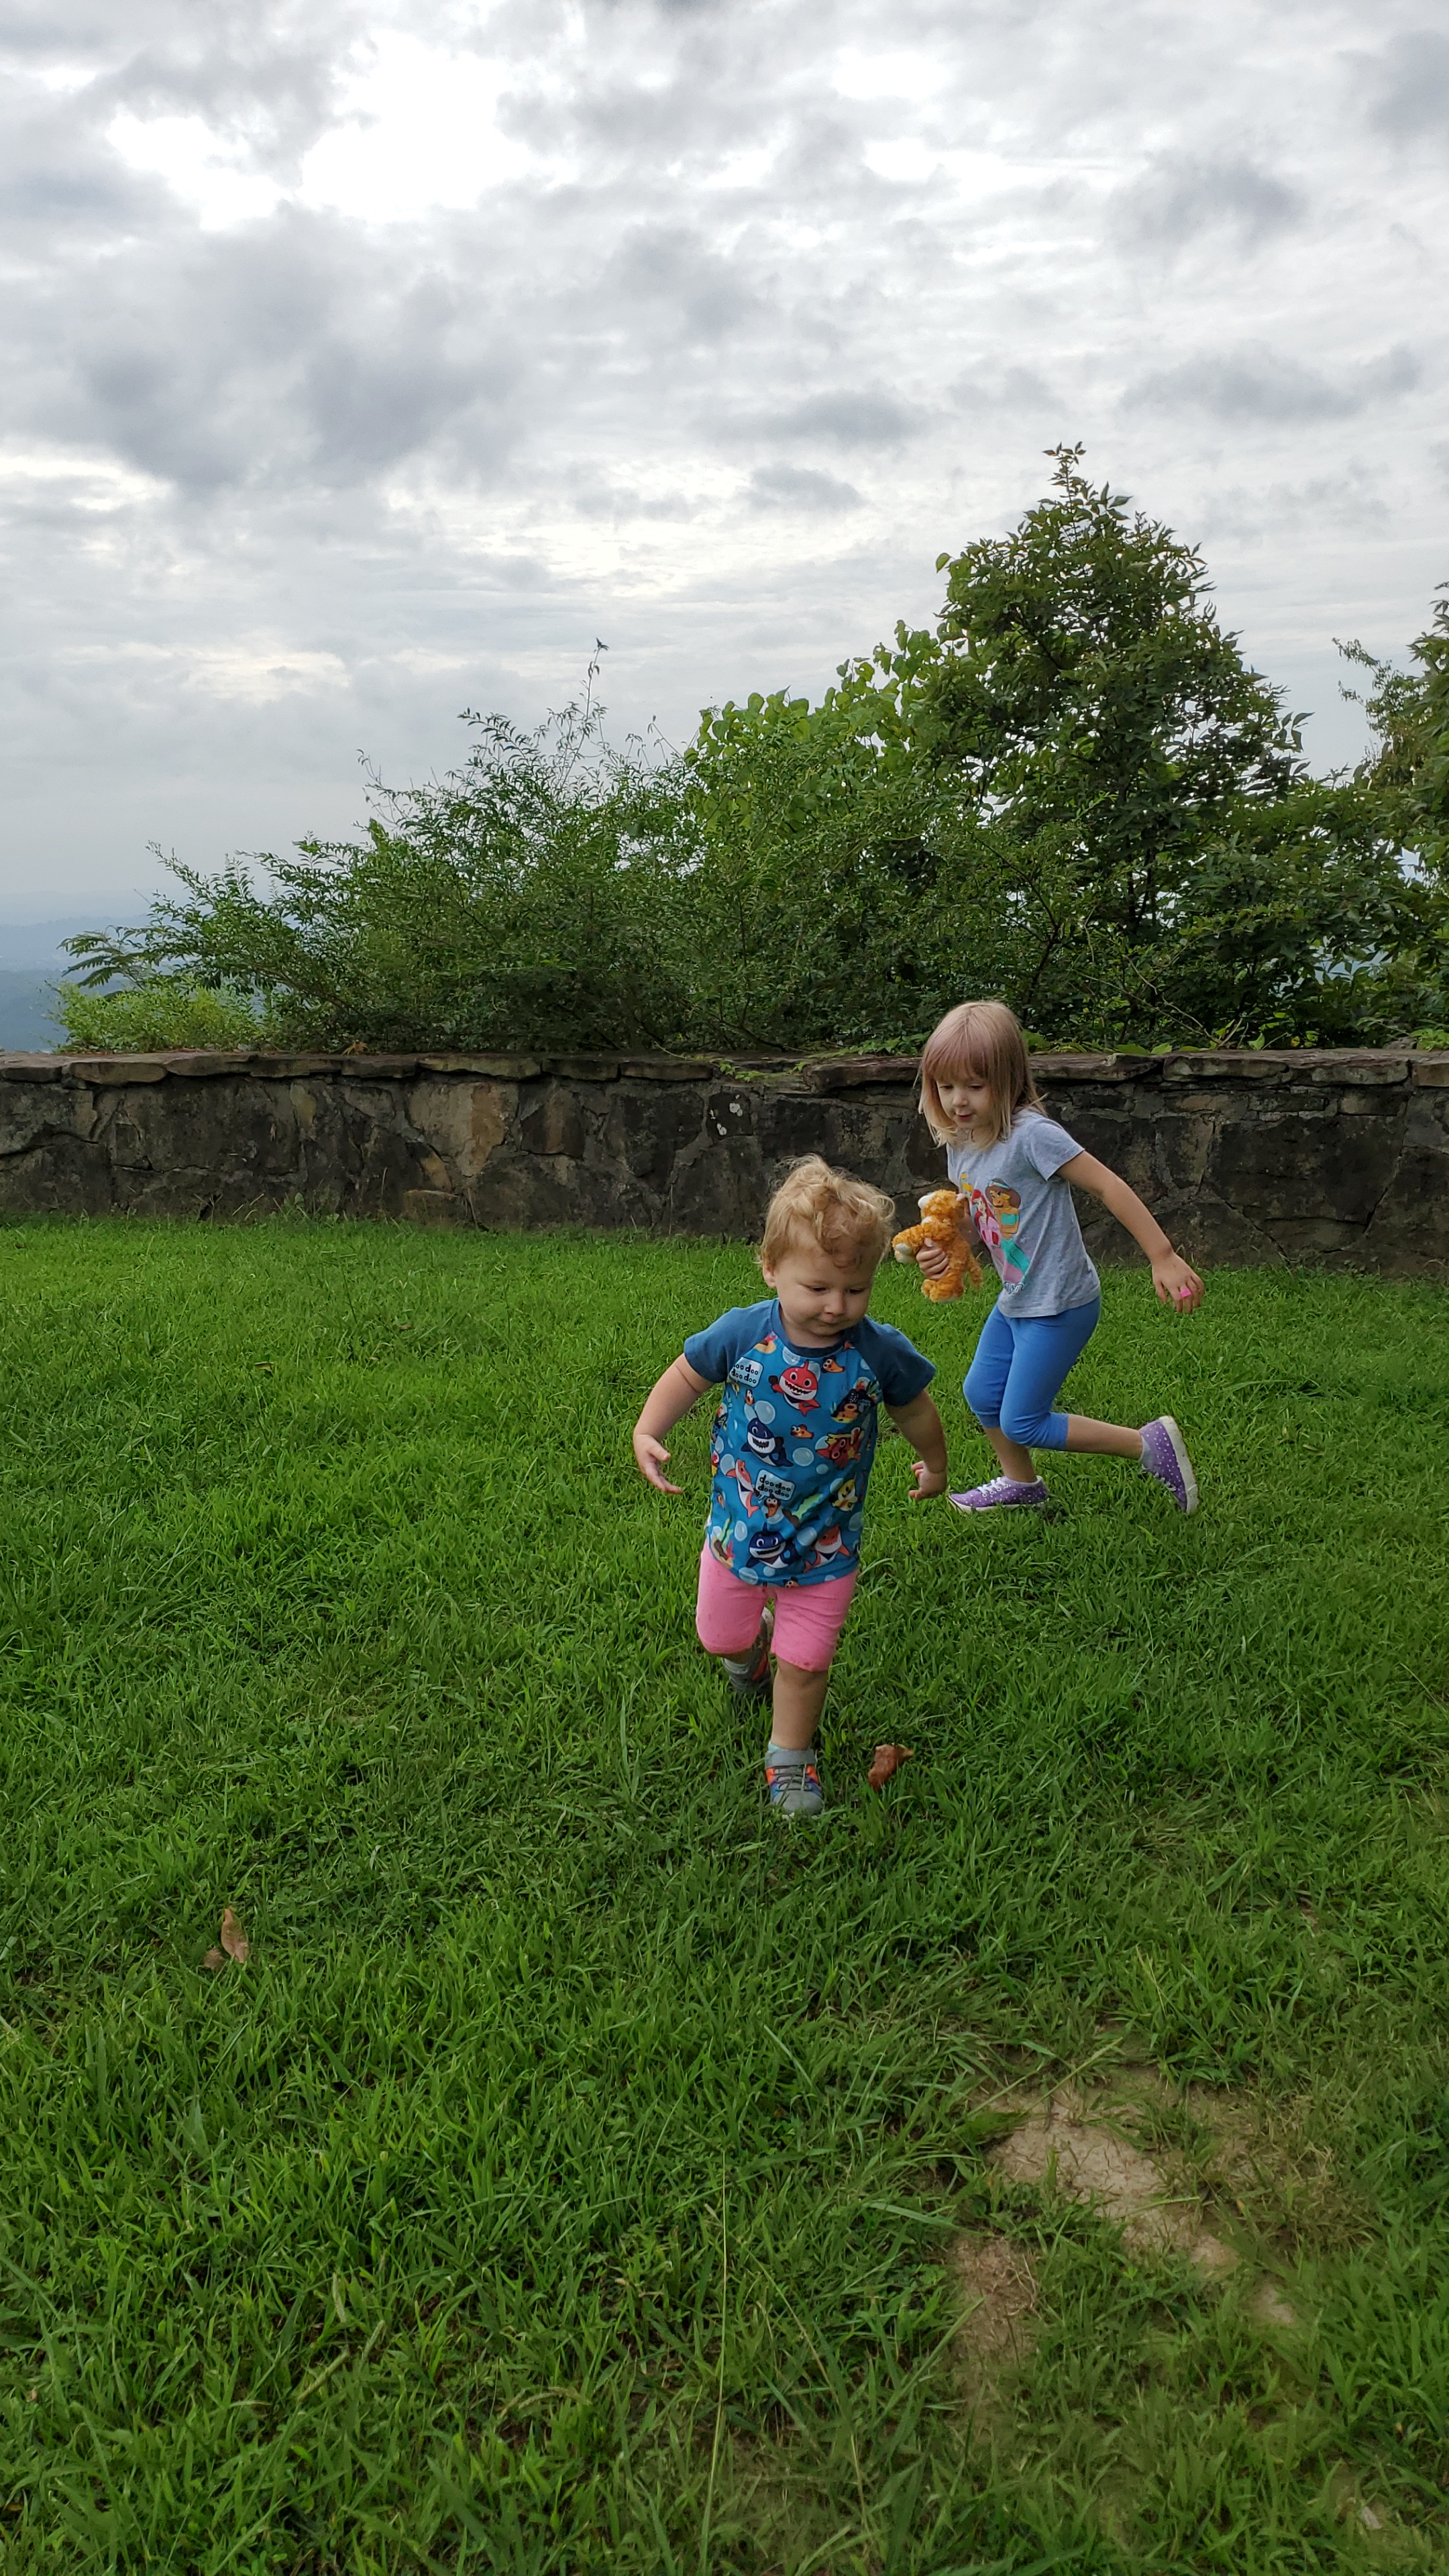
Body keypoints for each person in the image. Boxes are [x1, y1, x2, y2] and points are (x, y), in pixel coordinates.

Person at [632, 1156, 949, 1818]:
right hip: (738, 1527)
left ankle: (790, 1757)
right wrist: (648, 1430)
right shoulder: (744, 1334)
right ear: (771, 1269)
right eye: (818, 1287)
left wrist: (935, 1464)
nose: (837, 1306)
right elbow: (687, 1374)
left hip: (827, 1544)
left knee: (805, 1664)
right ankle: (749, 1657)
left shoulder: (876, 1352)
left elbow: (916, 1410)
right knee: (721, 1637)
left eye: (855, 1290)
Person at [914, 1000, 1204, 1515]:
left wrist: (1162, 1255)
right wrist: (949, 1250)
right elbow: (981, 1223)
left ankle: (1147, 1444)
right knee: (982, 1393)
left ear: (1007, 1079)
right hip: (1018, 1298)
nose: (958, 1101)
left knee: (1024, 1420)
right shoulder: (962, 1142)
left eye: (974, 1086)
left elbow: (1108, 1185)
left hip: (1060, 1303)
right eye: (945, 1086)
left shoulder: (1032, 1136)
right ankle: (1021, 1484)